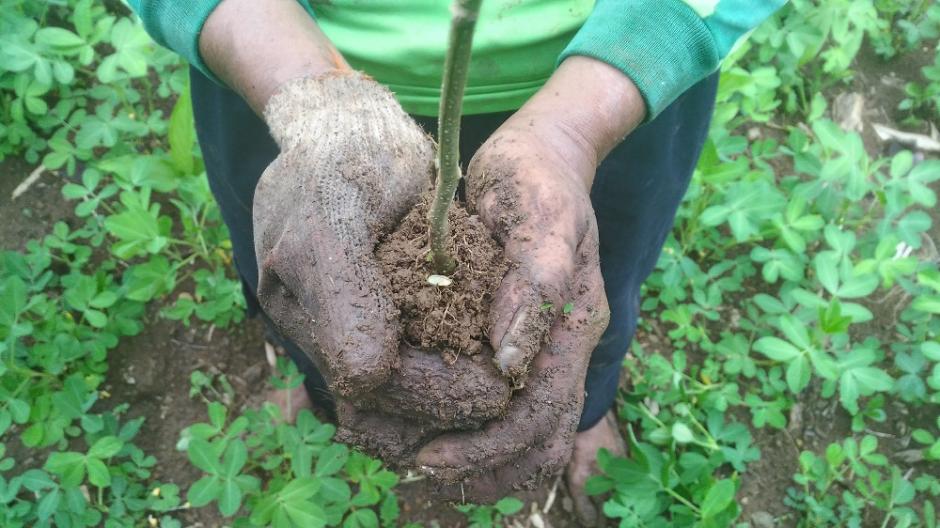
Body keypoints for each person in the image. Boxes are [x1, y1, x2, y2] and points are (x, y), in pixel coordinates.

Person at [130, 0, 785, 523]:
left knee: (582, 294)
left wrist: (570, 131)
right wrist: (313, 99)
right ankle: (319, 386)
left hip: (615, 72)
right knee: (309, 283)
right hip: (274, 59)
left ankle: (589, 408)